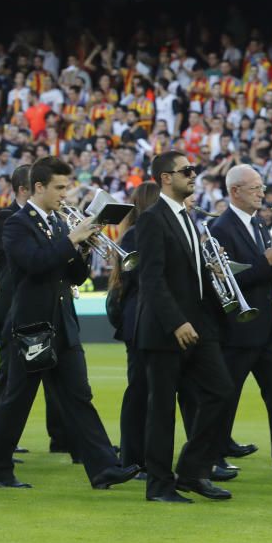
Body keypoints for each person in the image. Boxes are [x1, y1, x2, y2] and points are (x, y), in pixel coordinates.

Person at [0, 156, 137, 490]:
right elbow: (34, 264)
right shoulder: (16, 224)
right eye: (59, 187)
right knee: (17, 400)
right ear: (38, 187)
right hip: (31, 327)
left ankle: (102, 468)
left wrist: (82, 249)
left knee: (78, 397)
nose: (64, 194)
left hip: (62, 324)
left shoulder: (57, 223)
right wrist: (70, 241)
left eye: (66, 187)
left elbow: (74, 276)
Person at [136, 151, 235, 502]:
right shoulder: (152, 220)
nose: (194, 175)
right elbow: (151, 279)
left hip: (199, 327)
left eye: (194, 170)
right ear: (165, 178)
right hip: (167, 333)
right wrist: (176, 321)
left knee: (222, 392)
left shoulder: (187, 217)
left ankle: (192, 471)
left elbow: (187, 275)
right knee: (162, 411)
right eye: (186, 171)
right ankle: (159, 486)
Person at [0, 164, 70, 463]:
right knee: (10, 380)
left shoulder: (52, 220)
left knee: (60, 381)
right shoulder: (7, 219)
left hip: (50, 308)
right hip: (15, 310)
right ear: (26, 189)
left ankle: (63, 438)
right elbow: (0, 268)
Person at [210, 165, 272, 471]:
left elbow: (262, 273)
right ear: (235, 191)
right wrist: (267, 260)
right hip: (239, 330)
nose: (262, 192)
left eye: (262, 187)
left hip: (265, 329)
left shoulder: (260, 224)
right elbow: (228, 282)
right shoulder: (220, 228)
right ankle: (213, 457)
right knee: (225, 396)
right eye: (254, 188)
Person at [108, 181, 160, 473]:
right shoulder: (134, 237)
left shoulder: (130, 235)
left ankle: (140, 455)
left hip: (141, 318)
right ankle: (132, 456)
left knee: (145, 391)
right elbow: (138, 277)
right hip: (140, 320)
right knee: (140, 391)